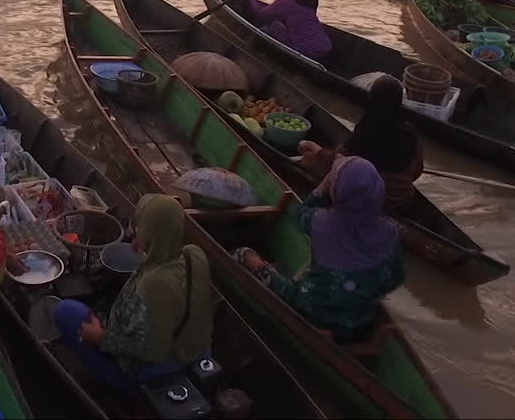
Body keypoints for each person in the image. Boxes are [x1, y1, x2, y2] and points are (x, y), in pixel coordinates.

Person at [53, 194, 212, 391]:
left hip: (152, 371)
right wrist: (145, 242)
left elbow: (152, 350)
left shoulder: (153, 284)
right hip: (196, 350)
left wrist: (99, 337)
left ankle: (123, 392)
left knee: (65, 312)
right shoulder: (194, 255)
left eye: (142, 229)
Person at [234, 157, 402, 340]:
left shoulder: (321, 221)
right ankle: (343, 336)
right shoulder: (391, 232)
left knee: (243, 253)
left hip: (309, 308)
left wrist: (325, 184)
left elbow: (300, 213)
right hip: (360, 323)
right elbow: (395, 278)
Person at [299, 77, 423, 211]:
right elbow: (417, 171)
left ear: (372, 99)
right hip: (403, 197)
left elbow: (339, 164)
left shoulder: (367, 129)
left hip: (372, 197)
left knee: (308, 160)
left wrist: (315, 150)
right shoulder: (410, 132)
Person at [244, 0, 332, 60]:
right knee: (280, 24)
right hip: (325, 46)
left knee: (271, 27)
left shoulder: (286, 2)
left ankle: (249, 50)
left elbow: (260, 14)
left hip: (305, 50)